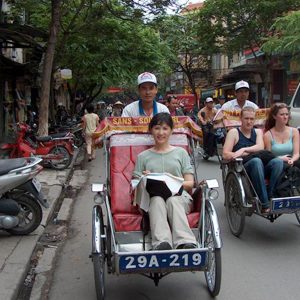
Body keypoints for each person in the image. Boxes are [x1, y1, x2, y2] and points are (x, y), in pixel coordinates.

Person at [133, 113, 197, 250]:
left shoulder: (181, 153)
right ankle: (162, 243)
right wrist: (144, 179)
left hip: (180, 197)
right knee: (156, 200)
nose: (161, 133)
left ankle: (185, 242)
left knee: (172, 201)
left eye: (165, 128)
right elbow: (135, 187)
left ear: (171, 131)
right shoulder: (143, 157)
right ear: (151, 130)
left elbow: (190, 183)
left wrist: (171, 181)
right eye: (157, 128)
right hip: (152, 199)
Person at [223, 106, 283, 213]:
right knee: (256, 161)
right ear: (241, 118)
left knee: (278, 162)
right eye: (246, 118)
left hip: (261, 167)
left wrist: (243, 150)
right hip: (243, 169)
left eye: (251, 119)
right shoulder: (233, 133)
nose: (249, 122)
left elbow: (260, 147)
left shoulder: (258, 132)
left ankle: (270, 194)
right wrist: (248, 152)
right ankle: (264, 204)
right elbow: (226, 154)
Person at [264, 103, 300, 167]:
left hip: (292, 163)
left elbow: (296, 153)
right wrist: (280, 159)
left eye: (287, 114)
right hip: (276, 164)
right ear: (274, 116)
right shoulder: (267, 135)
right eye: (282, 114)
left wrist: (292, 160)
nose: (285, 117)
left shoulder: (294, 131)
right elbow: (267, 157)